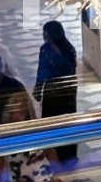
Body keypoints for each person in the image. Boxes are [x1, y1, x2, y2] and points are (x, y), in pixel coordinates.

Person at [33, 20, 79, 166]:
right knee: (68, 123)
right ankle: (69, 156)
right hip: (69, 92)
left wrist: (38, 90)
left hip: (53, 93)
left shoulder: (46, 50)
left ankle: (54, 155)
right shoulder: (69, 47)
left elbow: (43, 72)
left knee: (52, 123)